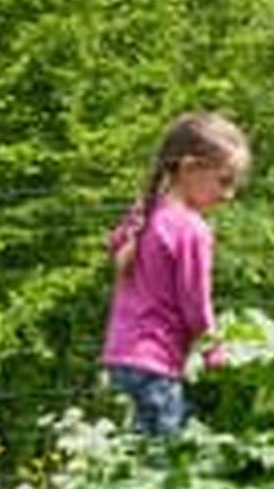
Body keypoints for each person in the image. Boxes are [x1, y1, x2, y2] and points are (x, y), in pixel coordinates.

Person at [102, 111, 251, 437]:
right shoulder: (191, 229)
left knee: (127, 465)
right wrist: (214, 350)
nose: (228, 195)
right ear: (189, 167)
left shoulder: (148, 211)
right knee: (162, 468)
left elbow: (114, 246)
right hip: (156, 364)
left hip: (121, 357)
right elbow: (195, 303)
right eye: (223, 181)